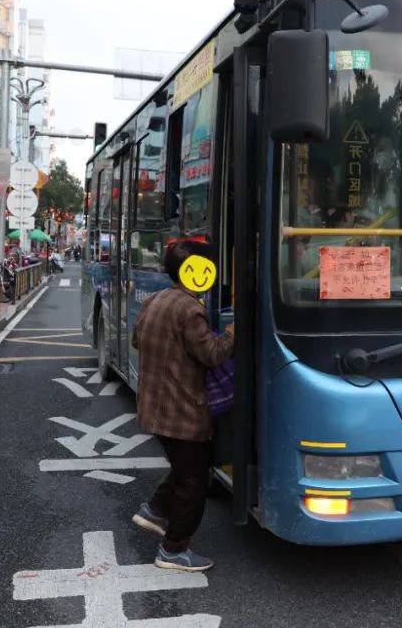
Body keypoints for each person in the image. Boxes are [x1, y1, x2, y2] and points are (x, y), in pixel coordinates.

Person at [130, 240, 234, 572]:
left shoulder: (156, 300)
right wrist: (234, 330)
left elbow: (136, 340)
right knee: (194, 481)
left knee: (184, 467)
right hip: (183, 411)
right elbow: (213, 354)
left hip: (154, 406)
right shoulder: (191, 310)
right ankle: (173, 549)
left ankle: (155, 509)